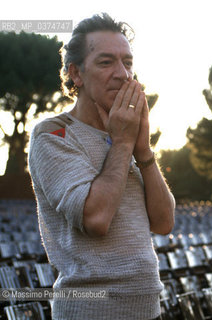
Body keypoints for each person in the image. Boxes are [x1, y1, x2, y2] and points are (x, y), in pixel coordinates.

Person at [28, 13, 175, 320]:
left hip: (149, 312)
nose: (122, 74)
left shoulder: (125, 135)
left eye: (128, 63)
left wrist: (143, 150)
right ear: (76, 74)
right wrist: (122, 144)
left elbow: (163, 223)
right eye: (106, 62)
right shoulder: (53, 135)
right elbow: (96, 218)